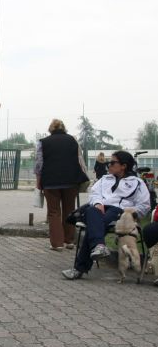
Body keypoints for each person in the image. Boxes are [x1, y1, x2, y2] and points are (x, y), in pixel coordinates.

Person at [62, 151, 150, 280]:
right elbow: (94, 194)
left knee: (95, 225)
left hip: (120, 212)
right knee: (92, 211)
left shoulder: (137, 182)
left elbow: (144, 206)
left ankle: (80, 267)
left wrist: (130, 212)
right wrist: (97, 203)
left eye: (112, 163)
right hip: (100, 210)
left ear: (123, 166)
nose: (109, 165)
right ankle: (99, 246)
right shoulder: (104, 179)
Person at [35, 119, 89, 251]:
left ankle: (57, 244)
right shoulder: (73, 140)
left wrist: (38, 182)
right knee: (69, 210)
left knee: (54, 212)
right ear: (64, 128)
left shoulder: (43, 142)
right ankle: (69, 241)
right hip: (71, 181)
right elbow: (80, 160)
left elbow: (39, 164)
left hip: (50, 182)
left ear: (50, 129)